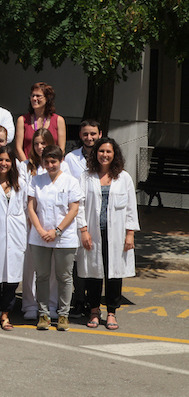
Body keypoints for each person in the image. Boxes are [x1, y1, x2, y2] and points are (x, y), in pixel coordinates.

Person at [76, 137, 139, 330]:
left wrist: (130, 233)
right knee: (93, 273)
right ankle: (94, 311)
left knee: (114, 274)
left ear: (114, 154)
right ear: (96, 153)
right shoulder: (86, 176)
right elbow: (79, 205)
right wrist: (83, 230)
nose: (104, 155)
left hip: (116, 234)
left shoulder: (124, 177)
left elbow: (131, 207)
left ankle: (112, 312)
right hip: (93, 232)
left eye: (108, 151)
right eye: (101, 151)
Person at [27, 145, 82, 331]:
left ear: (61, 161)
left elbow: (73, 209)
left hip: (64, 237)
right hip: (40, 237)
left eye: (54, 161)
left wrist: (57, 231)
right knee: (42, 276)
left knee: (64, 277)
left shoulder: (71, 181)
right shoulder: (36, 180)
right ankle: (43, 314)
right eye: (47, 161)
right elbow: (31, 208)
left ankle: (63, 315)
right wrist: (40, 230)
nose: (50, 165)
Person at [0, 146, 28, 331]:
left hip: (16, 236)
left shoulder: (21, 184)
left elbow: (25, 209)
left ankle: (6, 315)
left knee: (11, 281)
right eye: (0, 160)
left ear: (13, 163)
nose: (4, 163)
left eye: (7, 160)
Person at [15, 82, 66, 161]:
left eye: (38, 96)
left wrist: (51, 164)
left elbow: (61, 149)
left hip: (50, 165)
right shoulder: (22, 120)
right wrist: (27, 165)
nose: (34, 99)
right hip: (29, 165)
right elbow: (18, 148)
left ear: (47, 98)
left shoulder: (59, 120)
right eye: (32, 96)